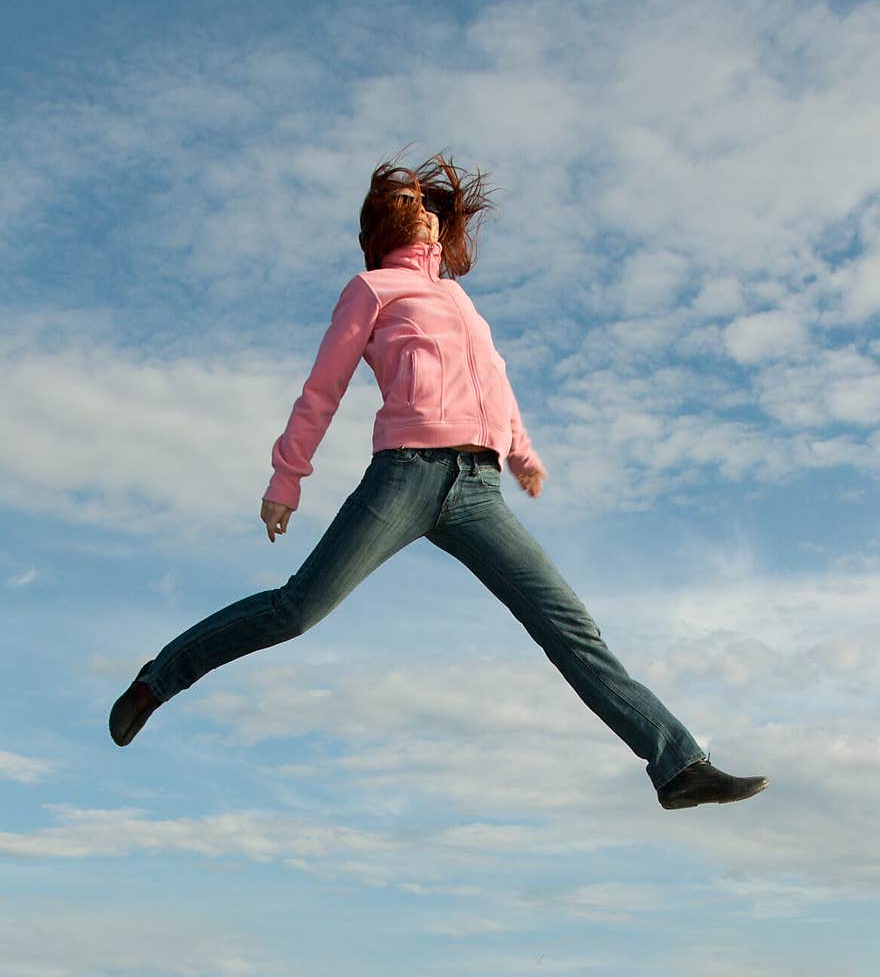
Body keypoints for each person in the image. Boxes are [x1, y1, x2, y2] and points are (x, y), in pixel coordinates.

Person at [110, 151, 769, 811]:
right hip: (405, 476)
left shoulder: (457, 297)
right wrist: (287, 478)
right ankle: (159, 679)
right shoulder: (371, 291)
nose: (424, 215)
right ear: (385, 224)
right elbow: (324, 387)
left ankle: (678, 763)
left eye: (429, 207)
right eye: (410, 207)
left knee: (570, 628)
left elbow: (495, 381)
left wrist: (523, 453)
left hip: (479, 489)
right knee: (297, 610)